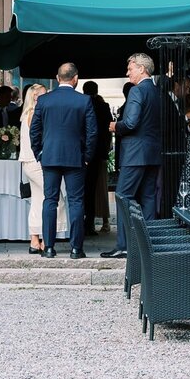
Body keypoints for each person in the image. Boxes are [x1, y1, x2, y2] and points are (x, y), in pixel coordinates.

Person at [30, 63, 97, 259]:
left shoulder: (44, 100)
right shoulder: (84, 101)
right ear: (75, 78)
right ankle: (76, 249)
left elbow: (35, 130)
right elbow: (92, 132)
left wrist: (39, 153)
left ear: (58, 78)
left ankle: (49, 248)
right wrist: (87, 157)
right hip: (75, 158)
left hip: (49, 157)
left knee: (49, 200)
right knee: (76, 202)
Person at [107, 53, 161, 259]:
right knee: (148, 198)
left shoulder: (137, 91)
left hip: (135, 154)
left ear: (142, 69)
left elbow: (130, 123)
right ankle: (148, 245)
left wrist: (114, 126)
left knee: (123, 196)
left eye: (130, 68)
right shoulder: (157, 92)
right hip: (152, 154)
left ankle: (124, 245)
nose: (127, 72)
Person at [18, 83, 50, 252]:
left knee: (38, 200)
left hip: (29, 162)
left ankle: (34, 240)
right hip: (36, 162)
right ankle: (44, 239)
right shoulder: (33, 114)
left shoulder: (27, 114)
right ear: (35, 97)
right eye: (43, 95)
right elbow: (39, 139)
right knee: (52, 197)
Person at [82, 81, 113, 236]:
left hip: (81, 151)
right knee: (92, 188)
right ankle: (89, 224)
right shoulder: (103, 106)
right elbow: (108, 130)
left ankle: (82, 222)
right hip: (97, 152)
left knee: (80, 189)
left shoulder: (80, 103)